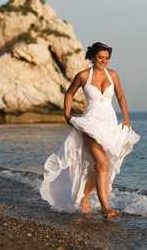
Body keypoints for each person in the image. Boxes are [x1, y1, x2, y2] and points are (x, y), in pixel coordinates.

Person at [40, 42, 140, 220]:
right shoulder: (83, 75)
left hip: (109, 125)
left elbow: (121, 96)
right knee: (102, 164)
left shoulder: (113, 75)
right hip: (90, 124)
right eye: (100, 57)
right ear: (92, 57)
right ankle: (105, 208)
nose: (104, 61)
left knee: (101, 166)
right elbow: (69, 93)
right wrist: (66, 114)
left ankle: (85, 195)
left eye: (107, 58)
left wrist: (126, 119)